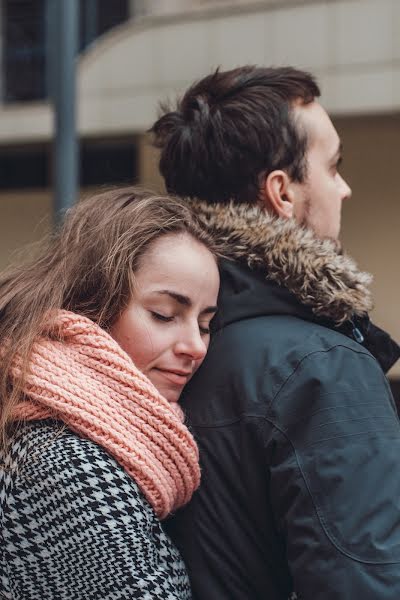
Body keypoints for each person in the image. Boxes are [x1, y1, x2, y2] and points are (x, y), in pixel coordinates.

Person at [151, 66, 400, 599]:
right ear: (281, 193)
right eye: (333, 167)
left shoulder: (146, 345)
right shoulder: (320, 367)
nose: (345, 188)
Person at [0, 187, 220, 599]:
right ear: (93, 304)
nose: (197, 345)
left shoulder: (102, 446)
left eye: (205, 323)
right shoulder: (66, 465)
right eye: (164, 315)